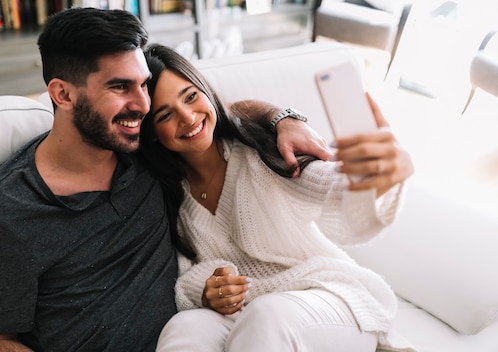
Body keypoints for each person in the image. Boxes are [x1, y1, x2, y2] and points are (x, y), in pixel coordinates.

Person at [0, 7, 330, 352]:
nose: (144, 105)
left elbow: (215, 110)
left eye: (143, 85)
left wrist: (284, 118)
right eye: (120, 87)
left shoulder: (144, 148)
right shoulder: (3, 213)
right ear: (62, 94)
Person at [138, 43, 415, 351]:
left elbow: (333, 189)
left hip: (327, 296)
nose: (188, 117)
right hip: (246, 313)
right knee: (184, 327)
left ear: (205, 90)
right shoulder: (167, 193)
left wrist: (380, 178)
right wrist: (209, 289)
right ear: (152, 132)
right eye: (166, 115)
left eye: (190, 96)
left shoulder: (262, 153)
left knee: (267, 314)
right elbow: (185, 273)